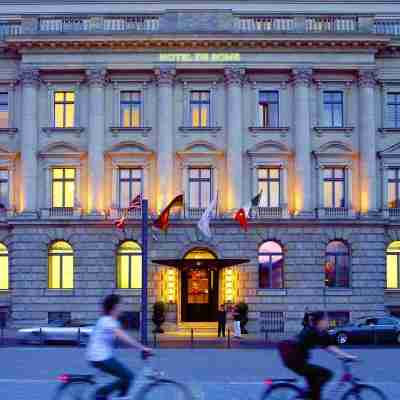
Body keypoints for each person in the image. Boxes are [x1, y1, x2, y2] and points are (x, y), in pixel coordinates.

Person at [86, 294, 152, 400]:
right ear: (114, 307)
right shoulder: (107, 321)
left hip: (101, 356)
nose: (122, 308)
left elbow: (120, 338)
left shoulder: (110, 321)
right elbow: (123, 337)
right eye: (120, 305)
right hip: (100, 358)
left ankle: (120, 397)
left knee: (126, 377)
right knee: (129, 376)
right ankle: (100, 394)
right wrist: (142, 348)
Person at [279, 311, 357, 400]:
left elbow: (330, 346)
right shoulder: (312, 332)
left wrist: (343, 356)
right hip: (295, 361)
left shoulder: (317, 331)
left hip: (298, 361)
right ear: (320, 321)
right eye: (326, 320)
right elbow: (328, 347)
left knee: (315, 380)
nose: (328, 322)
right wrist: (347, 356)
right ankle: (312, 396)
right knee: (326, 374)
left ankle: (311, 395)